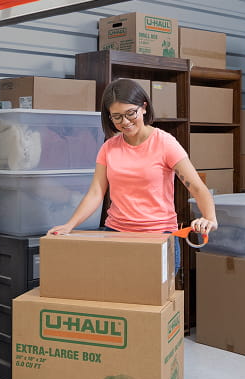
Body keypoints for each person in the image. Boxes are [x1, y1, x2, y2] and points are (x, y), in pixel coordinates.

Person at [47, 78, 217, 271]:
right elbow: (96, 192)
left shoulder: (165, 143)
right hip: (116, 234)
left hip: (158, 235)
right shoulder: (108, 148)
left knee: (156, 299)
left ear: (144, 107)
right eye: (117, 117)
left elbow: (196, 186)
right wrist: (70, 225)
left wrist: (210, 218)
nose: (125, 122)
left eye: (130, 113)